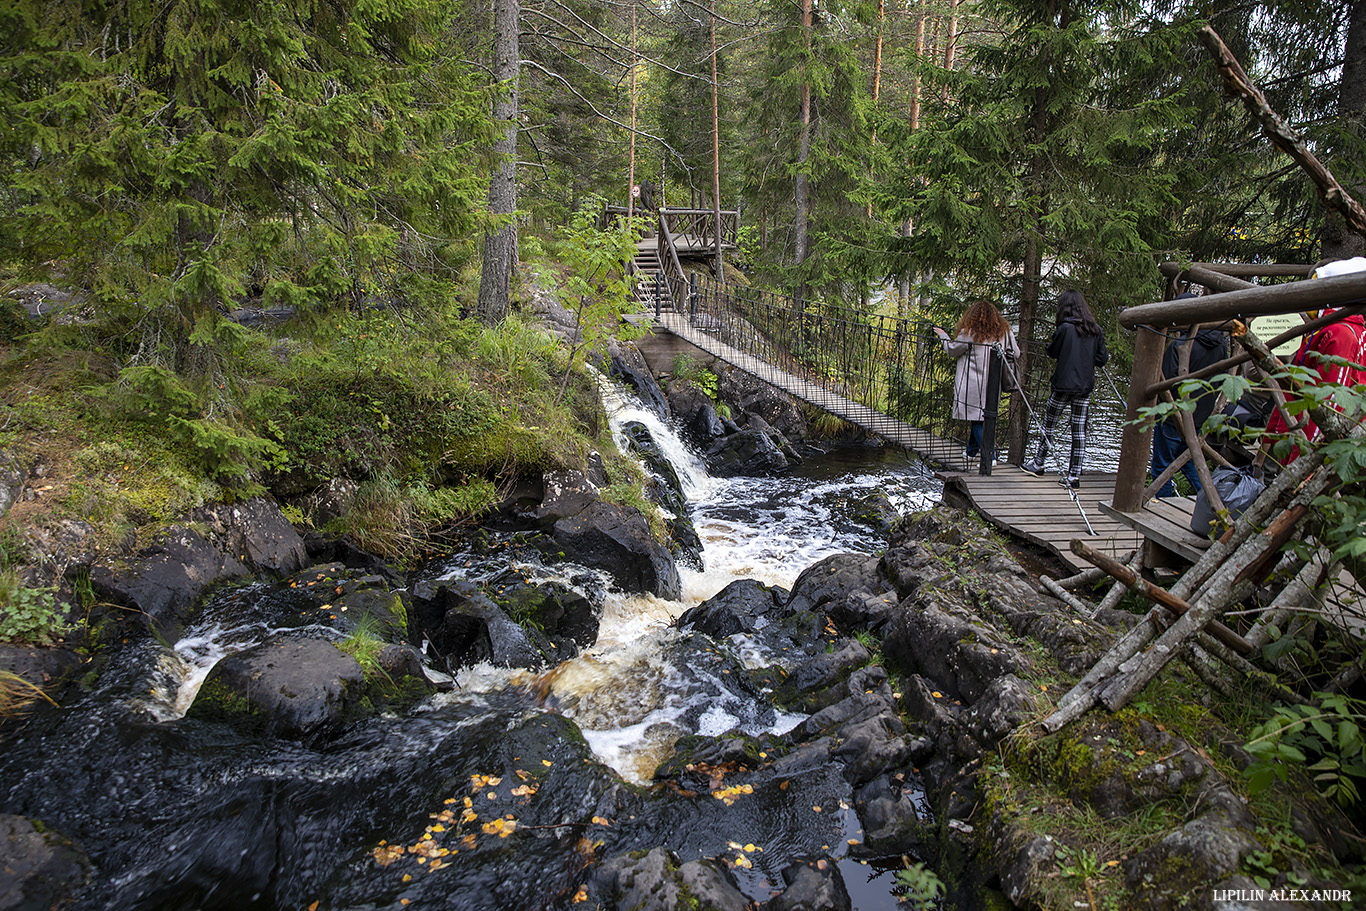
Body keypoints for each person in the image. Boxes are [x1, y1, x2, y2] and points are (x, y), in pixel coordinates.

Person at [1262, 256, 1366, 464]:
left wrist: (1303, 461)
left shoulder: (1342, 334)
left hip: (1315, 446)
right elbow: (1297, 379)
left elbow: (1331, 400)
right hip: (1298, 432)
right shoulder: (1324, 330)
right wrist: (1274, 432)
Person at [1023, 289, 1109, 488]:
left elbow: (1052, 352)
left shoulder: (1064, 329)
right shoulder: (1095, 330)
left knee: (1049, 424)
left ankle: (1039, 463)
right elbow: (1101, 359)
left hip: (1062, 385)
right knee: (1079, 431)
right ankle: (1073, 476)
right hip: (1084, 387)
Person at [1149, 294, 1231, 496]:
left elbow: (1166, 382)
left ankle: (1162, 508)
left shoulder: (1181, 345)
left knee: (1162, 467)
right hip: (1199, 416)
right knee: (1189, 462)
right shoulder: (1220, 345)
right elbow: (1223, 380)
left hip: (1173, 415)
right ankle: (1207, 500)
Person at [934, 300, 1020, 462]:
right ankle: (972, 451)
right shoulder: (1005, 332)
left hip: (972, 383)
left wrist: (943, 336)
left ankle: (989, 456)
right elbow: (1015, 353)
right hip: (993, 383)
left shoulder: (970, 332)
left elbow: (952, 350)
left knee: (977, 418)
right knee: (982, 416)